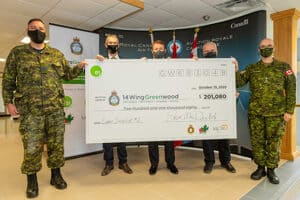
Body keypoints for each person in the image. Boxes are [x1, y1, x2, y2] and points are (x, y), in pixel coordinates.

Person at [2, 18, 86, 198]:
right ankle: (31, 181)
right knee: (32, 146)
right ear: (27, 31)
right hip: (30, 111)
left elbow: (68, 75)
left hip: (54, 109)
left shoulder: (56, 54)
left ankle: (56, 175)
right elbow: (8, 80)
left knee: (56, 144)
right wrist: (8, 102)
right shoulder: (17, 53)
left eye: (40, 28)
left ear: (45, 32)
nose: (37, 30)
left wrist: (79, 66)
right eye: (33, 28)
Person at [236, 38, 296, 184]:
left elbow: (291, 89)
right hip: (256, 113)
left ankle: (271, 170)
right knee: (257, 142)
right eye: (262, 46)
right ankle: (260, 167)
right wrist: (236, 69)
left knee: (274, 143)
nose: (265, 48)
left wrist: (289, 111)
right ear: (259, 50)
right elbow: (238, 82)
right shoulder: (252, 68)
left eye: (268, 46)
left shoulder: (284, 67)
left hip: (276, 114)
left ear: (273, 48)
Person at [96, 34, 133, 176]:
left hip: (121, 104)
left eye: (115, 42)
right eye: (110, 42)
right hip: (105, 104)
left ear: (119, 45)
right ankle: (108, 163)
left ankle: (123, 162)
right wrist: (99, 63)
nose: (112, 44)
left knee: (121, 135)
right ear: (105, 45)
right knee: (107, 136)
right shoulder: (99, 62)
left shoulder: (124, 63)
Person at [201, 41, 237, 174]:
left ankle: (226, 161)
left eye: (211, 50)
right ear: (202, 53)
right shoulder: (197, 67)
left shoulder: (225, 66)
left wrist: (235, 69)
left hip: (222, 108)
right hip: (205, 108)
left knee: (224, 135)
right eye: (206, 51)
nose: (209, 52)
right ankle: (209, 162)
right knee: (206, 136)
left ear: (217, 51)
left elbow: (233, 82)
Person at [147, 40, 178, 175]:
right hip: (151, 107)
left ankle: (170, 163)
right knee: (152, 139)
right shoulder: (145, 65)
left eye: (161, 49)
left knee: (169, 138)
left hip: (168, 106)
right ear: (152, 51)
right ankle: (154, 164)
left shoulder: (171, 64)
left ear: (165, 50)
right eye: (156, 49)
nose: (158, 51)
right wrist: (140, 64)